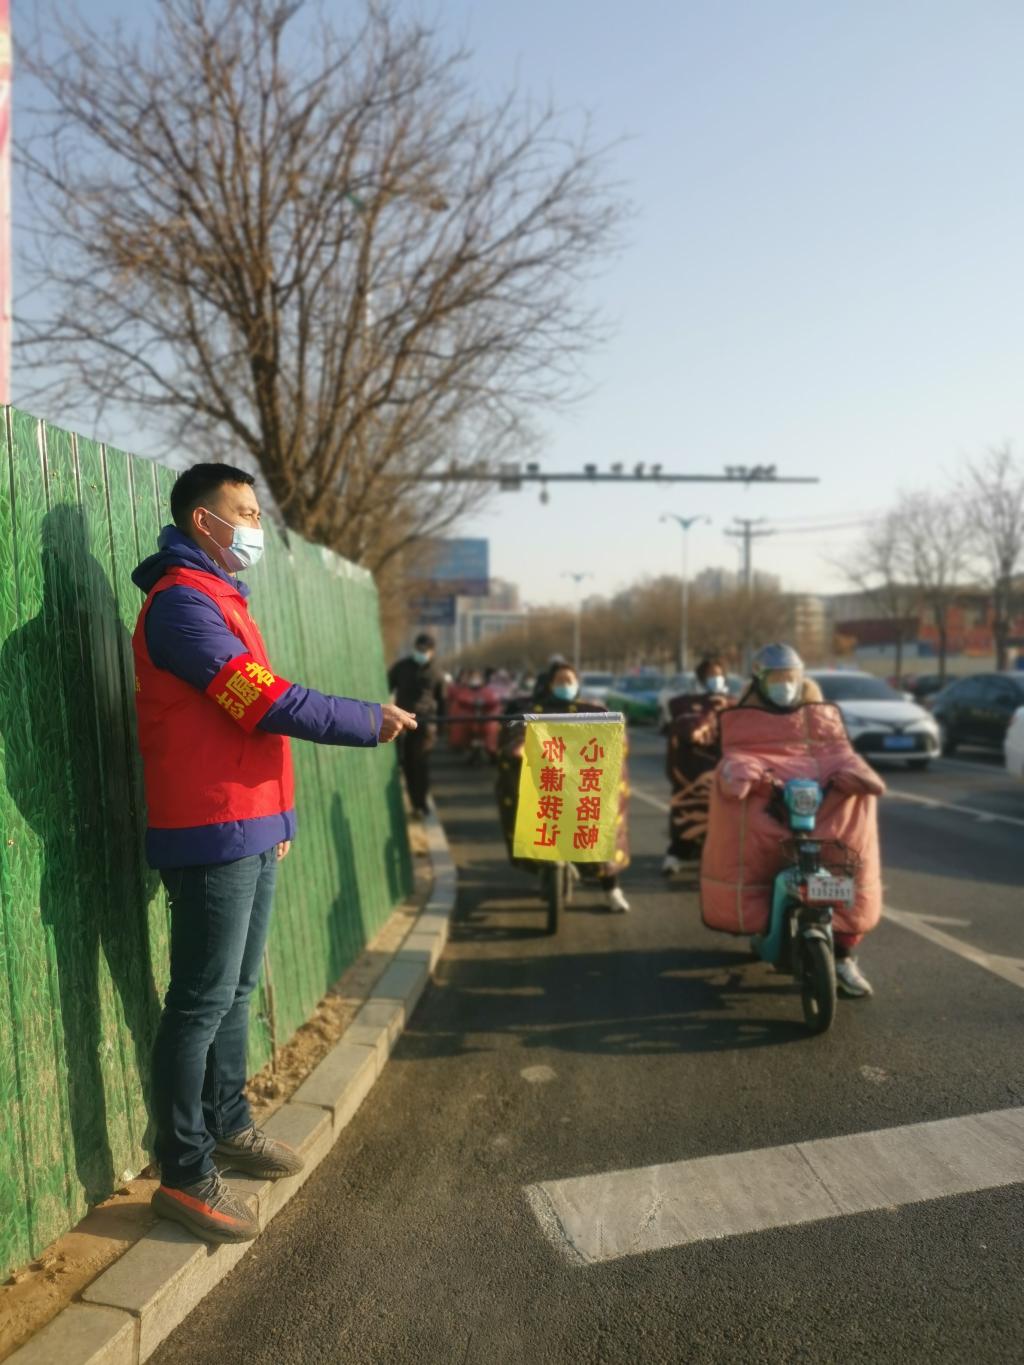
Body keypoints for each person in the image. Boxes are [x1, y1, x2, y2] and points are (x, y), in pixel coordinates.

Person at [131, 462, 416, 1245]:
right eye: (246, 512)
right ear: (203, 521)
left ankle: (227, 1123)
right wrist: (365, 720)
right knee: (199, 1000)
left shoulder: (222, 597)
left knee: (235, 990)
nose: (256, 526)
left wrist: (280, 815)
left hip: (251, 824)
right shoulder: (181, 606)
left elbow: (245, 723)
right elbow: (259, 701)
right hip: (212, 827)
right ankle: (183, 1171)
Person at [738, 643, 873, 997]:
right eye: (776, 678)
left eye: (790, 677)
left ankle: (844, 957)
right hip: (770, 801)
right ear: (760, 680)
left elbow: (840, 752)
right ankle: (763, 927)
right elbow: (737, 753)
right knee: (756, 859)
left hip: (820, 802)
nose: (784, 684)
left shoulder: (821, 714)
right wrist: (745, 774)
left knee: (848, 862)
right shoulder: (746, 715)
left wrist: (854, 775)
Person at [496, 661, 631, 912]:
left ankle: (612, 889)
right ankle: (545, 867)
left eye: (569, 680)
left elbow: (616, 738)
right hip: (548, 784)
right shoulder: (534, 711)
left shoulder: (593, 711)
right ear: (550, 685)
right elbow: (515, 733)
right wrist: (518, 746)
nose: (565, 685)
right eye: (559, 681)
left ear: (578, 683)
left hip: (583, 785)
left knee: (600, 830)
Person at [662, 655, 734, 875]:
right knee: (687, 815)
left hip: (725, 769)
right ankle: (676, 854)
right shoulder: (687, 704)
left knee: (725, 819)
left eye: (718, 674)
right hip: (693, 771)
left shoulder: (734, 703)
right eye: (710, 675)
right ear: (701, 678)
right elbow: (686, 731)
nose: (715, 678)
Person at [388, 633, 447, 817]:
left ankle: (421, 804)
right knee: (407, 763)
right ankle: (415, 802)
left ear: (432, 652)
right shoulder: (401, 667)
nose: (421, 653)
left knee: (420, 763)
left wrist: (441, 727)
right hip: (403, 723)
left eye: (425, 650)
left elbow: (442, 701)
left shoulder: (437, 672)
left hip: (426, 724)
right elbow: (387, 686)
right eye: (419, 649)